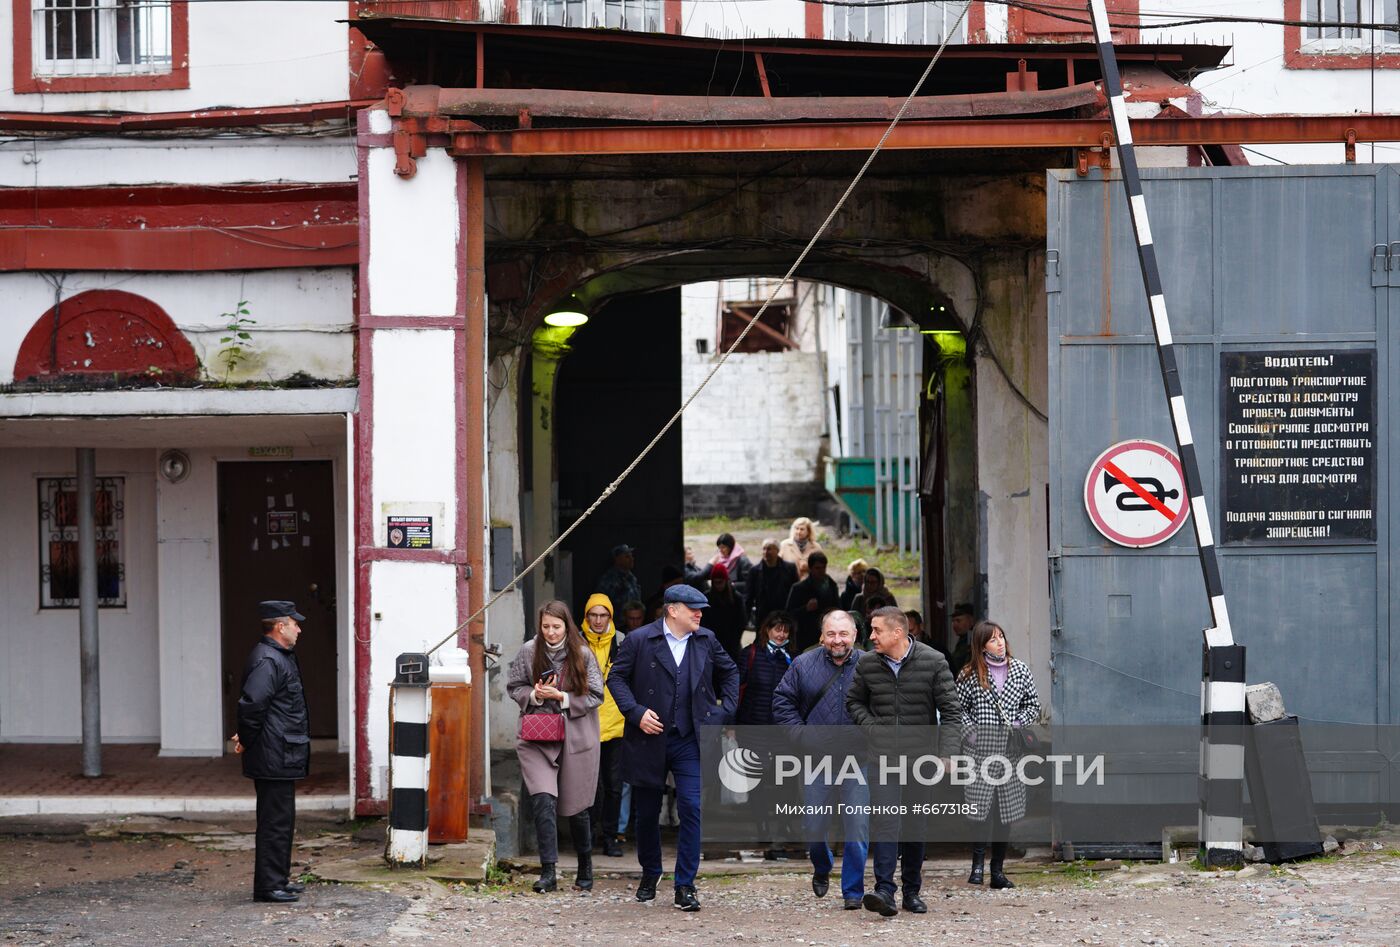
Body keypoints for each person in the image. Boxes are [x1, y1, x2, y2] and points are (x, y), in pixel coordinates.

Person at [606, 584, 739, 912]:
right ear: (672, 610)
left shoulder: (706, 639)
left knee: (693, 808)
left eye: (701, 609)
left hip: (689, 739)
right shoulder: (639, 640)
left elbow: (731, 672)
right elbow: (616, 679)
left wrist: (722, 712)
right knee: (647, 813)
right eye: (693, 608)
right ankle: (651, 872)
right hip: (648, 738)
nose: (699, 614)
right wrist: (635, 713)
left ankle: (685, 885)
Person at [845, 606, 961, 918]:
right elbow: (853, 701)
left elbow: (951, 711)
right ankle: (885, 890)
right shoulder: (868, 664)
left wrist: (948, 753)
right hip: (882, 758)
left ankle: (912, 891)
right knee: (886, 822)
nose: (871, 637)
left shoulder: (934, 661)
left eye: (876, 630)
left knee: (915, 825)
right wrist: (872, 727)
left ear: (898, 632)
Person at [771, 610, 868, 910]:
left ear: (854, 635)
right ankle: (822, 865)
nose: (837, 640)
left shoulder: (871, 665)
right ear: (822, 636)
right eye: (831, 634)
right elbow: (782, 702)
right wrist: (801, 736)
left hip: (858, 759)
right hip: (816, 759)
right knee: (813, 825)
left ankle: (853, 890)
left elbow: (888, 707)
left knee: (857, 827)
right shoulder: (802, 664)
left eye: (843, 634)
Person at [507, 601, 605, 893]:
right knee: (543, 800)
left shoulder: (583, 653)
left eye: (556, 627)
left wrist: (561, 696)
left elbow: (596, 695)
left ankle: (585, 867)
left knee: (577, 807)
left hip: (576, 736)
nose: (550, 632)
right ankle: (548, 871)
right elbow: (514, 687)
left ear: (567, 626)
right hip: (537, 736)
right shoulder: (528, 650)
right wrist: (536, 695)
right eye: (545, 626)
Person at [233, 600, 312, 904]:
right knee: (274, 822)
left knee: (281, 820)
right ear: (281, 626)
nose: (299, 628)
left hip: (279, 752)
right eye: (295, 623)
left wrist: (249, 736)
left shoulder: (278, 656)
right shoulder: (269, 659)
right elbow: (252, 706)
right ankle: (268, 887)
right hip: (273, 753)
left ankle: (278, 880)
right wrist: (248, 739)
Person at [957, 620, 1041, 891]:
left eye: (1001, 637)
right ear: (981, 646)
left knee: (1005, 813)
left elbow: (1033, 703)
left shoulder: (1020, 670)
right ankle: (977, 865)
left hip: (1010, 752)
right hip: (979, 753)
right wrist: (971, 734)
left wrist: (1018, 723)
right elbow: (958, 709)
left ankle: (998, 870)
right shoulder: (969, 674)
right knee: (981, 811)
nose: (1000, 642)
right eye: (993, 639)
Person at [581, 593, 626, 858]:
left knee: (614, 785)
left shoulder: (623, 642)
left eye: (603, 615)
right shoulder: (575, 642)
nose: (598, 621)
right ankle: (587, 837)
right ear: (586, 617)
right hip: (585, 723)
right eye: (593, 615)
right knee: (588, 786)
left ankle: (610, 838)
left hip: (617, 724)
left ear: (610, 617)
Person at [736, 612, 795, 726]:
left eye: (785, 631)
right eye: (778, 630)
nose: (781, 635)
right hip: (750, 724)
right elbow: (735, 690)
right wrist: (731, 723)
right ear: (768, 630)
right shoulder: (750, 653)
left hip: (780, 728)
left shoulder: (793, 658)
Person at [784, 552, 840, 654]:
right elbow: (788, 613)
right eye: (817, 568)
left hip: (827, 635)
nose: (821, 571)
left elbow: (839, 608)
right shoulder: (799, 588)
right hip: (806, 637)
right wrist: (806, 608)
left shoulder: (831, 586)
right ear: (810, 568)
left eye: (823, 568)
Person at [747, 539, 798, 628]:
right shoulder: (754, 571)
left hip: (783, 616)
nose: (766, 552)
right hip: (763, 617)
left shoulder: (790, 569)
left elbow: (795, 594)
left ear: (777, 550)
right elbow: (749, 597)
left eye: (769, 549)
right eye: (764, 549)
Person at [704, 563, 747, 662]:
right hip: (713, 644)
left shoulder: (737, 598)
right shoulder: (707, 598)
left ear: (726, 581)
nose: (718, 585)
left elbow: (742, 622)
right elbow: (703, 622)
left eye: (720, 582)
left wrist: (735, 641)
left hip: (732, 646)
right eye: (715, 582)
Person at [597, 544, 642, 617]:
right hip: (617, 623)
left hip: (634, 621)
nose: (631, 559)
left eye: (632, 556)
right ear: (617, 559)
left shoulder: (632, 578)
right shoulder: (609, 579)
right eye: (627, 557)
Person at [707, 532, 753, 600]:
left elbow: (750, 583)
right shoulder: (719, 559)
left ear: (731, 547)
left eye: (723, 547)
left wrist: (731, 585)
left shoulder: (743, 561)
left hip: (738, 598)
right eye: (719, 548)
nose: (720, 551)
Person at [948, 603, 976, 676]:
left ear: (971, 621)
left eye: (958, 621)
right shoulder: (964, 640)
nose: (954, 625)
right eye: (953, 621)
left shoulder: (973, 640)